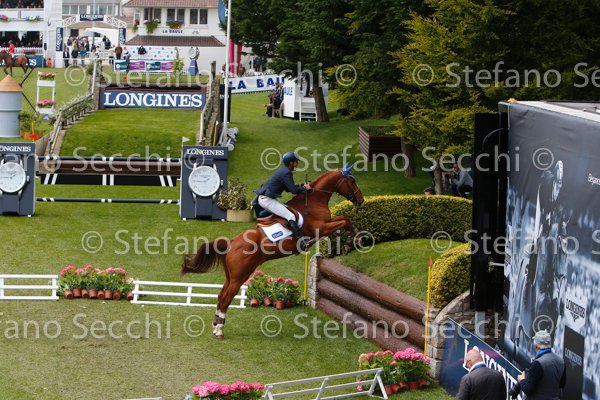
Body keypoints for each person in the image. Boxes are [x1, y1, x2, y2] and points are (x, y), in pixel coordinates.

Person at [254, 152, 311, 251]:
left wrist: (302, 185)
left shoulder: (284, 170)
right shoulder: (286, 172)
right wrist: (304, 188)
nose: (297, 163)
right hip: (267, 200)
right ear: (291, 163)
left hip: (266, 198)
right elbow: (293, 190)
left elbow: (288, 188)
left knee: (287, 209)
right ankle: (302, 242)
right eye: (296, 162)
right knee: (291, 216)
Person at [509, 329, 566, 399]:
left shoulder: (537, 364)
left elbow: (528, 390)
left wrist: (521, 380)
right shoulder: (561, 361)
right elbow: (562, 384)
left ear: (536, 346)